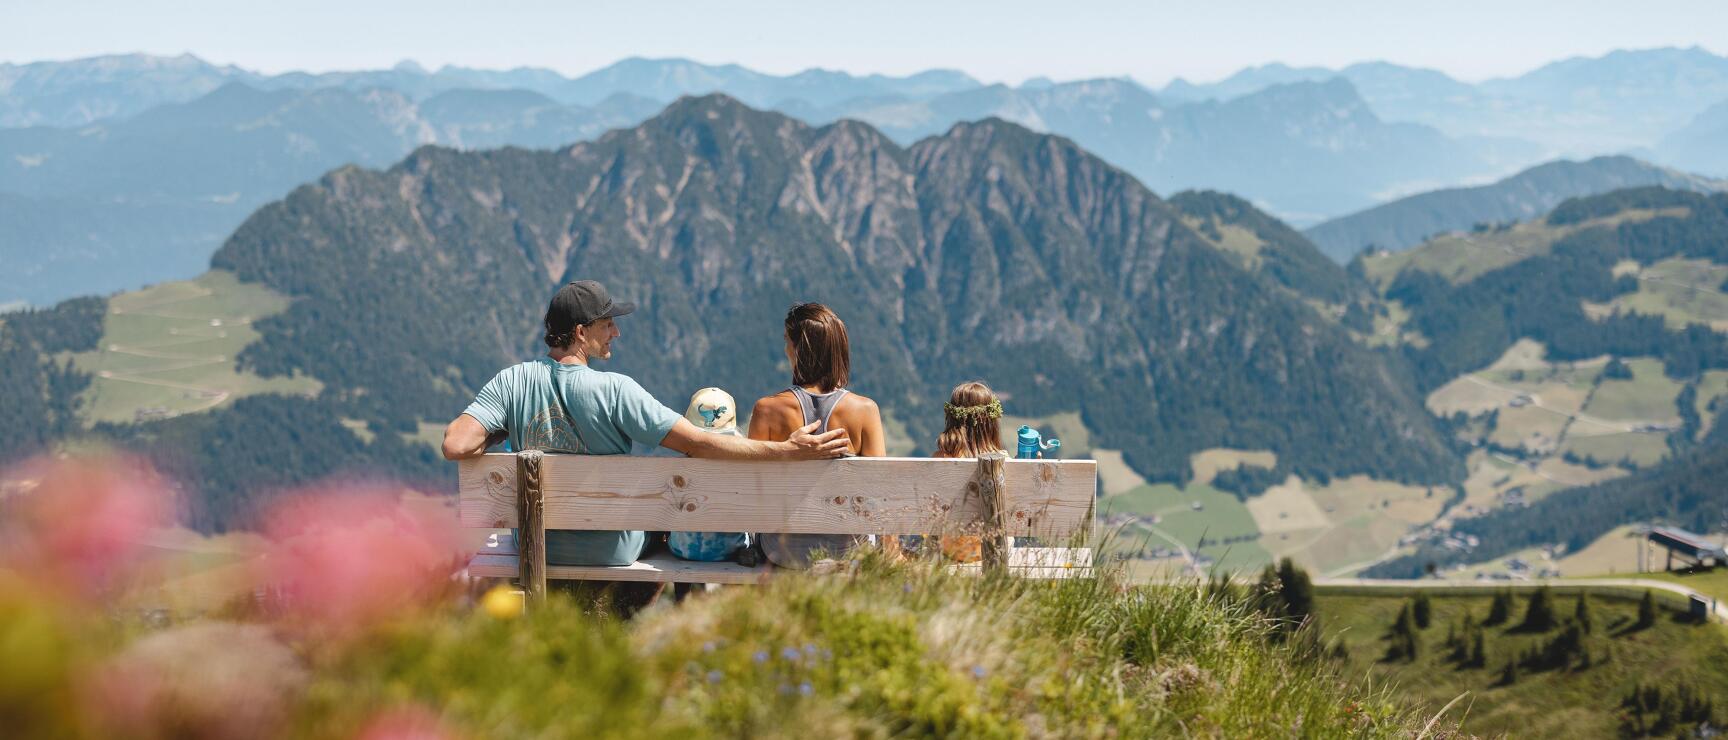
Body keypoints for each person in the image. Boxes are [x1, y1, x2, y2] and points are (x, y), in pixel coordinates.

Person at [441, 281, 851, 575]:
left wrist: (500, 427)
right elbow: (703, 444)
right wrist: (788, 452)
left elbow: (457, 445)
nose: (616, 332)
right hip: (611, 551)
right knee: (670, 520)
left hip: (536, 545)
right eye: (607, 325)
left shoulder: (511, 382)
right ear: (582, 333)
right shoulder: (618, 390)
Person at [747, 303, 887, 569]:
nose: (785, 348)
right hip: (848, 549)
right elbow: (878, 494)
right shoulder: (865, 411)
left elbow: (755, 490)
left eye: (787, 341)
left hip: (780, 549)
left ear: (799, 350)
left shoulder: (766, 410)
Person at [931, 381, 1006, 563]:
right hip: (993, 549)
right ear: (992, 423)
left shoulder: (940, 459)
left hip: (950, 551)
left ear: (952, 419)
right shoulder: (1004, 460)